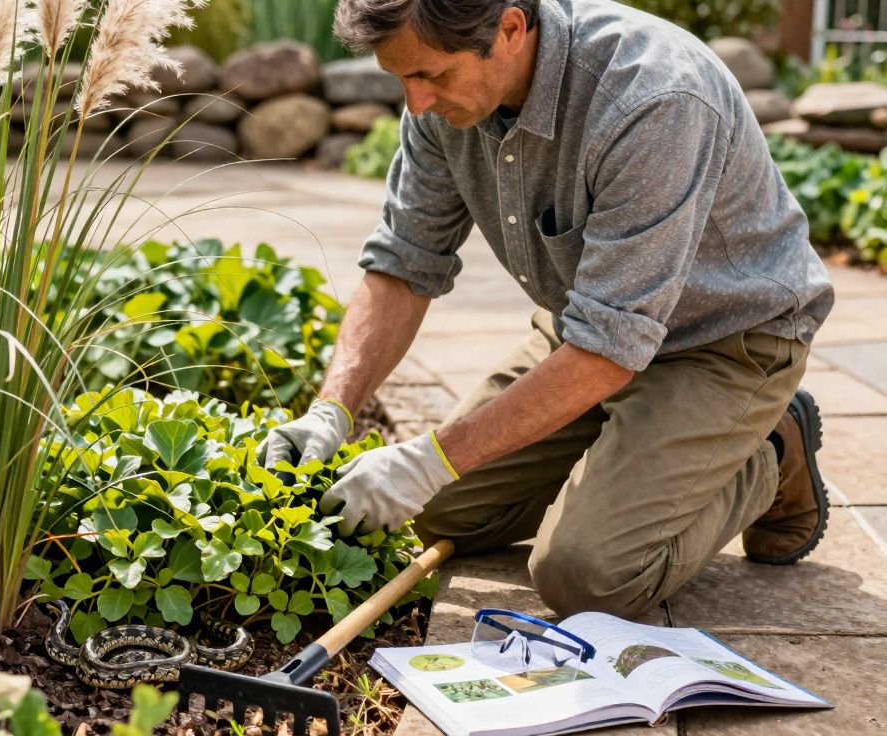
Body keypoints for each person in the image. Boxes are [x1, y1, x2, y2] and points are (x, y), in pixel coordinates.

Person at [257, 0, 836, 619]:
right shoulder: (439, 102)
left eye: (432, 76)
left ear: (509, 29)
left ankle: (769, 449)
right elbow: (402, 265)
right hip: (588, 333)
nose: (416, 103)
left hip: (723, 340)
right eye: (401, 78)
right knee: (434, 512)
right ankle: (640, 449)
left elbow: (608, 349)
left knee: (587, 576)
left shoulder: (654, 98)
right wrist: (331, 410)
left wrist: (432, 457)